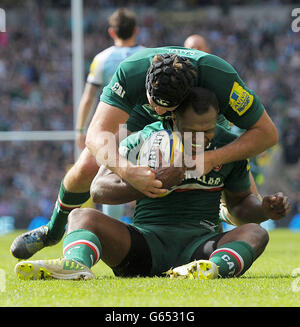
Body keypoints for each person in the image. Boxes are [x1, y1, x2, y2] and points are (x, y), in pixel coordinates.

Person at [11, 45, 278, 261]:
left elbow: (268, 133)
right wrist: (128, 171)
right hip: (139, 116)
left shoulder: (220, 79)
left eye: (167, 107)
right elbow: (96, 134)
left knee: (242, 191)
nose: (160, 112)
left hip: (197, 118)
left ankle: (215, 219)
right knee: (88, 164)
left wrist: (210, 159)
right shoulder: (132, 72)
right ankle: (52, 231)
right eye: (156, 103)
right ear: (146, 86)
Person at [75, 8, 144, 221]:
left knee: (110, 174)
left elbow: (88, 97)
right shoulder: (149, 55)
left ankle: (111, 232)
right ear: (136, 30)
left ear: (111, 32)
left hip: (113, 128)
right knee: (147, 174)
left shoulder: (102, 59)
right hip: (144, 126)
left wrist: (80, 130)